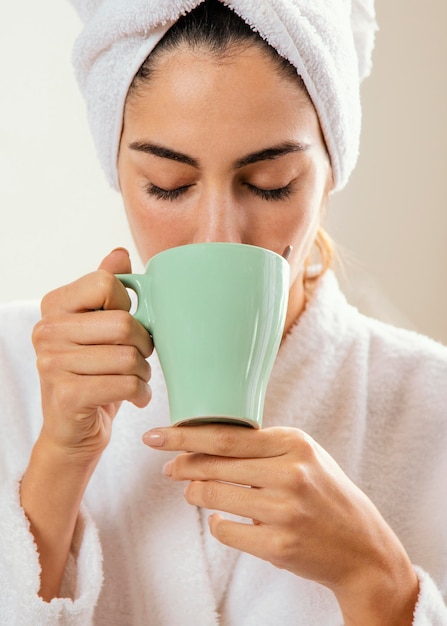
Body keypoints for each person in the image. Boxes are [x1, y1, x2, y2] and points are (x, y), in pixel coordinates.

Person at [0, 1, 446, 624]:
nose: (217, 235)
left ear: (329, 171)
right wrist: (56, 469)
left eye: (270, 182)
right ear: (119, 170)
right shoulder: (13, 371)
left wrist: (378, 581)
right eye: (167, 184)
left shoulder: (433, 407)